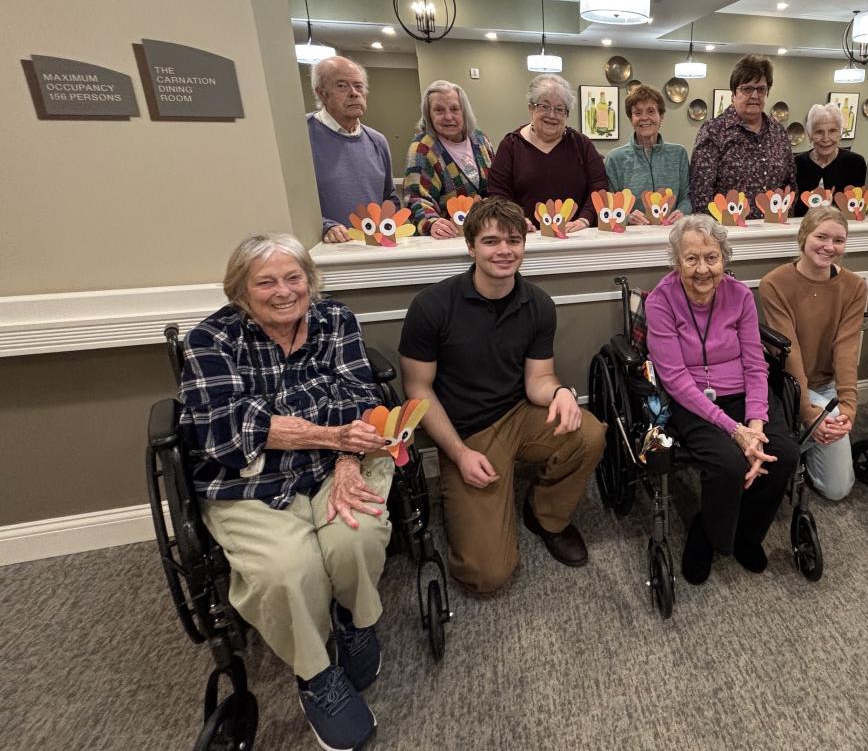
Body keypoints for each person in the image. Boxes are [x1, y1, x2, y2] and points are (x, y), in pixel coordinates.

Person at [180, 233, 391, 751]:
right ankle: (315, 673)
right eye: (266, 282)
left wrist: (346, 455)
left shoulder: (334, 320)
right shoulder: (211, 340)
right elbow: (225, 431)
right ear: (240, 291)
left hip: (334, 462)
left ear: (309, 281)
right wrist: (332, 433)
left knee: (357, 535)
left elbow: (360, 395)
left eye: (294, 277)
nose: (283, 291)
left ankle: (352, 620)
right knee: (286, 569)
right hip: (247, 480)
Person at [398, 196, 605, 593]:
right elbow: (417, 389)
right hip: (467, 433)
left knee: (589, 433)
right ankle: (480, 503)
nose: (504, 250)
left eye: (514, 240)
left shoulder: (538, 304)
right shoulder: (431, 306)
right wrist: (459, 454)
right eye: (491, 241)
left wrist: (560, 392)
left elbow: (538, 380)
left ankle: (545, 516)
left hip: (519, 414)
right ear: (471, 247)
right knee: (487, 574)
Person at [645, 214, 800, 584]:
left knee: (783, 453)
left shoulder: (740, 295)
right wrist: (735, 431)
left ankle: (746, 534)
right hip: (693, 402)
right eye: (691, 259)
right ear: (676, 261)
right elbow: (674, 379)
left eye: (711, 257)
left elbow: (755, 365)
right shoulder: (661, 301)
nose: (703, 269)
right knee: (729, 464)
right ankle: (707, 533)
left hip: (744, 395)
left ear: (724, 258)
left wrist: (756, 426)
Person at [759, 206, 868, 501]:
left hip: (827, 387)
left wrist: (848, 408)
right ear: (804, 236)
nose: (829, 247)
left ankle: (804, 445)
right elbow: (790, 351)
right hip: (788, 386)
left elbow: (846, 349)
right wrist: (808, 411)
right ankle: (801, 440)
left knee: (837, 490)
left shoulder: (854, 286)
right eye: (821, 237)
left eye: (839, 240)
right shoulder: (774, 283)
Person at [488, 74, 608, 231]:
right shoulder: (510, 145)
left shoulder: (581, 144)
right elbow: (498, 193)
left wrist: (585, 219)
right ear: (531, 108)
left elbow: (599, 186)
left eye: (559, 109)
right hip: (526, 235)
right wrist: (516, 219)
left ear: (566, 114)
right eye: (544, 106)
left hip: (576, 234)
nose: (552, 115)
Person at [689, 54, 796, 219]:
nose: (755, 95)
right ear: (733, 93)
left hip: (773, 228)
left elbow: (790, 184)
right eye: (747, 89)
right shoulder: (713, 131)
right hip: (726, 230)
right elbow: (701, 193)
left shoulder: (778, 133)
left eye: (761, 89)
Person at [306, 56, 397, 244]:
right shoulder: (301, 136)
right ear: (321, 93)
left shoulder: (377, 141)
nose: (354, 93)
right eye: (342, 86)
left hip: (373, 248)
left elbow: (389, 198)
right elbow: (292, 203)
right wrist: (325, 226)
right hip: (325, 249)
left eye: (358, 86)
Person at [404, 79, 495, 239]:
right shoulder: (423, 148)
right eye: (439, 110)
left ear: (464, 112)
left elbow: (496, 186)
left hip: (487, 233)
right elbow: (416, 198)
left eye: (454, 109)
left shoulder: (480, 140)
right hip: (448, 237)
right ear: (429, 115)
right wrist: (432, 223)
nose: (448, 116)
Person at [604, 84, 692, 222]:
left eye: (651, 111)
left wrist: (682, 211)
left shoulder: (679, 154)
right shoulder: (615, 159)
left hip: (672, 230)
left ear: (661, 116)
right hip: (632, 233)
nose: (644, 117)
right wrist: (627, 217)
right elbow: (608, 205)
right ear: (631, 119)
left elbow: (687, 196)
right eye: (637, 113)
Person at [792, 102, 867, 217]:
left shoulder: (855, 163)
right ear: (810, 135)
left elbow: (860, 208)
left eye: (832, 131)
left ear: (840, 133)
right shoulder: (797, 164)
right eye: (819, 132)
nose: (826, 139)